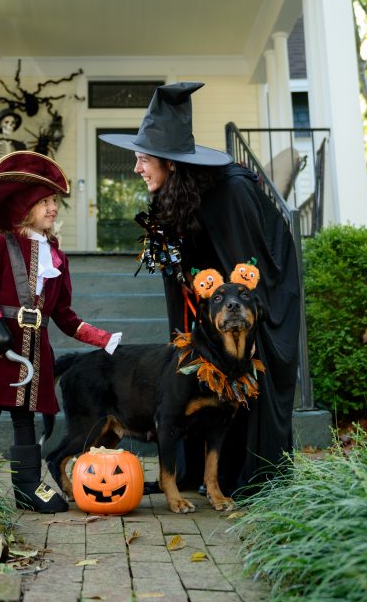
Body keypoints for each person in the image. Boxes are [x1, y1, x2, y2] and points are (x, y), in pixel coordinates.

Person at [100, 82, 300, 497]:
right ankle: (191, 474)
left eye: (142, 160)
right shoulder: (177, 193)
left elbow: (248, 271)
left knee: (238, 370)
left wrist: (223, 308)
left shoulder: (229, 191)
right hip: (206, 297)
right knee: (191, 373)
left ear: (170, 163)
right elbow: (184, 262)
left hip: (250, 297)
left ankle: (237, 479)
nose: (136, 169)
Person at [0, 150, 121, 513]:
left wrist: (103, 339)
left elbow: (64, 314)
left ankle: (27, 488)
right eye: (44, 201)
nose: (53, 208)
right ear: (25, 209)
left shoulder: (57, 257)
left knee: (24, 415)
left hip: (34, 349)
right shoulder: (0, 244)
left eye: (54, 201)